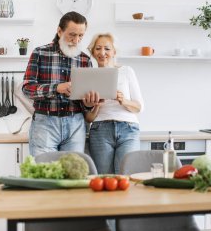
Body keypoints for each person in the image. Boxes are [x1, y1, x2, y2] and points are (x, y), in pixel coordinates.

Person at [22, 11, 99, 157]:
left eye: (80, 35)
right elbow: (27, 89)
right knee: (43, 175)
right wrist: (57, 88)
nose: (76, 40)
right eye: (72, 34)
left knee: (72, 177)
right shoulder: (40, 53)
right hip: (45, 123)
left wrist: (89, 103)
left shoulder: (84, 60)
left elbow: (85, 103)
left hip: (76, 124)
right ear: (59, 31)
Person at [85, 33, 144, 174]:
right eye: (98, 48)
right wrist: (97, 105)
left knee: (126, 175)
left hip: (128, 129)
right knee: (105, 178)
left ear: (114, 51)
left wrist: (124, 101)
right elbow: (88, 118)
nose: (102, 53)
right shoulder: (88, 76)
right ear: (93, 52)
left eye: (107, 48)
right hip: (100, 129)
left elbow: (139, 107)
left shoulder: (126, 71)